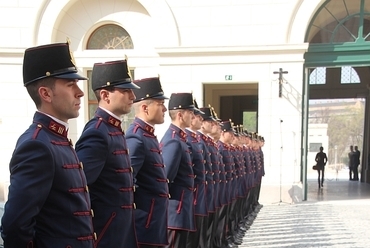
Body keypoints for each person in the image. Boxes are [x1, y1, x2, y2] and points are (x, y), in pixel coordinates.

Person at [0, 42, 95, 247]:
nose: (80, 92)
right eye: (70, 85)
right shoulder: (37, 145)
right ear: (46, 94)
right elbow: (15, 225)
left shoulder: (58, 138)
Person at [75, 60, 139, 248]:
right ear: (105, 95)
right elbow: (79, 187)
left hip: (120, 231)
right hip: (106, 233)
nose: (133, 96)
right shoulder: (98, 131)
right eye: (125, 91)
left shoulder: (113, 129)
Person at [125, 77, 170, 248]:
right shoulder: (136, 137)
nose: (165, 108)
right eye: (160, 103)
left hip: (154, 222)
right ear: (145, 107)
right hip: (145, 224)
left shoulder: (147, 135)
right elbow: (128, 182)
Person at [160, 93, 196, 248]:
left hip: (181, 209)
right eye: (191, 112)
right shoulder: (174, 140)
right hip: (176, 210)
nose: (193, 116)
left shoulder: (180, 138)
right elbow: (166, 178)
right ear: (180, 115)